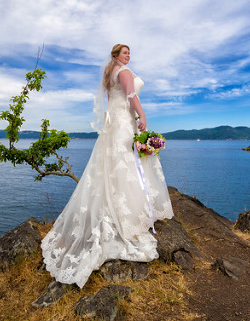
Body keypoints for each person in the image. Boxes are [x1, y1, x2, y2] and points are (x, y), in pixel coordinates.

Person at [41, 44, 174, 288]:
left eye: (129, 53)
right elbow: (132, 96)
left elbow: (119, 98)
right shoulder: (123, 72)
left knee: (115, 166)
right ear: (116, 56)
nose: (128, 56)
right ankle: (127, 215)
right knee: (125, 164)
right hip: (123, 122)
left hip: (116, 123)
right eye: (125, 53)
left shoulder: (109, 72)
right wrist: (142, 116)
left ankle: (118, 206)